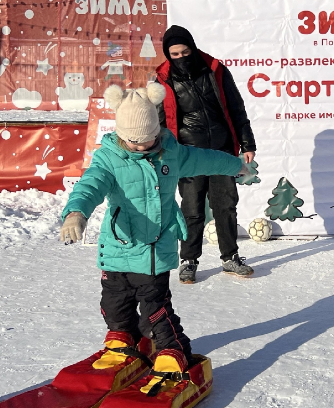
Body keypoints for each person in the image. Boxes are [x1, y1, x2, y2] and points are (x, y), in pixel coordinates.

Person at [59, 83, 244, 376]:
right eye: (135, 141)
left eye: (149, 139)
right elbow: (89, 185)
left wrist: (235, 165)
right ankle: (123, 340)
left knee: (155, 310)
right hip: (118, 247)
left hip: (156, 250)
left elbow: (205, 158)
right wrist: (75, 213)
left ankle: (172, 348)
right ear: (121, 135)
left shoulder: (170, 153)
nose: (144, 145)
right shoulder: (108, 159)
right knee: (113, 304)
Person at [156, 25, 257, 283]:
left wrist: (247, 143)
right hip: (187, 154)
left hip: (221, 150)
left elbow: (236, 107)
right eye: (174, 54)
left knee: (225, 205)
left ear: (193, 47)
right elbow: (158, 120)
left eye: (185, 51)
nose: (180, 57)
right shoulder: (162, 81)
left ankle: (230, 257)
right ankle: (188, 260)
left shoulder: (216, 71)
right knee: (192, 208)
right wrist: (159, 152)